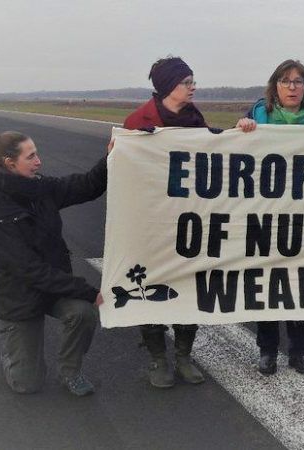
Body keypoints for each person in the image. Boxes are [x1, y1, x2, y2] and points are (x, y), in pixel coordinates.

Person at [236, 59, 304, 376]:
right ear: (275, 86)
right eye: (285, 81)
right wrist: (240, 131)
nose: (292, 87)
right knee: (267, 286)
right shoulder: (257, 118)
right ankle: (267, 350)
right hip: (264, 218)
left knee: (300, 286)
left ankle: (298, 351)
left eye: (298, 81)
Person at [0, 131, 107, 396]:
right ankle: (12, 352)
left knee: (83, 312)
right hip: (20, 297)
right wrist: (87, 290)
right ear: (10, 163)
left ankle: (70, 372)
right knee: (27, 384)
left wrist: (111, 157)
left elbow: (87, 186)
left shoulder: (41, 189)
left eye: (36, 153)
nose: (38, 161)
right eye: (31, 156)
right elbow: (31, 272)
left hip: (53, 289)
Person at [123, 56, 210, 388]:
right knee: (150, 288)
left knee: (189, 287)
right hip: (151, 224)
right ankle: (158, 358)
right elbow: (121, 174)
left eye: (192, 81)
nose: (193, 87)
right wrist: (122, 149)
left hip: (189, 221)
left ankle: (184, 356)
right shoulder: (137, 122)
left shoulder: (197, 122)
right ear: (168, 85)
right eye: (187, 82)